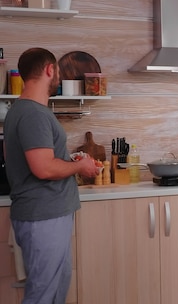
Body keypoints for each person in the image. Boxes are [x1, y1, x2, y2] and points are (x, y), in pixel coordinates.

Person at [4, 47, 100, 304]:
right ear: (50, 70)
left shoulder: (22, 110)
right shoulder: (33, 113)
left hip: (47, 215)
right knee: (43, 295)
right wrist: (80, 167)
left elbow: (42, 161)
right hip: (43, 217)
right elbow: (43, 168)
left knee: (55, 291)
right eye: (57, 71)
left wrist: (72, 161)